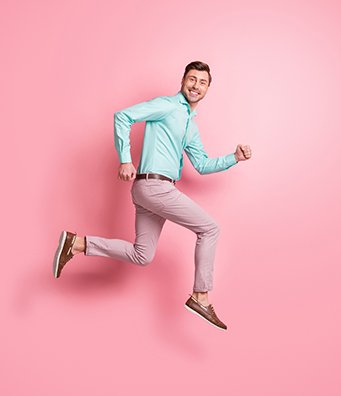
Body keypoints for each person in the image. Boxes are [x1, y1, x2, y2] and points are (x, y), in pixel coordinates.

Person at [53, 61, 252, 330]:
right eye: (192, 79)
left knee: (142, 255)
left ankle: (77, 243)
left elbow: (202, 165)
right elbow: (123, 116)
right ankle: (200, 296)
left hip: (151, 191)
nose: (196, 86)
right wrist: (125, 159)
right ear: (183, 81)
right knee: (210, 228)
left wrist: (234, 157)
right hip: (155, 187)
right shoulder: (168, 105)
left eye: (202, 82)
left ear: (207, 89)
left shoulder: (190, 126)